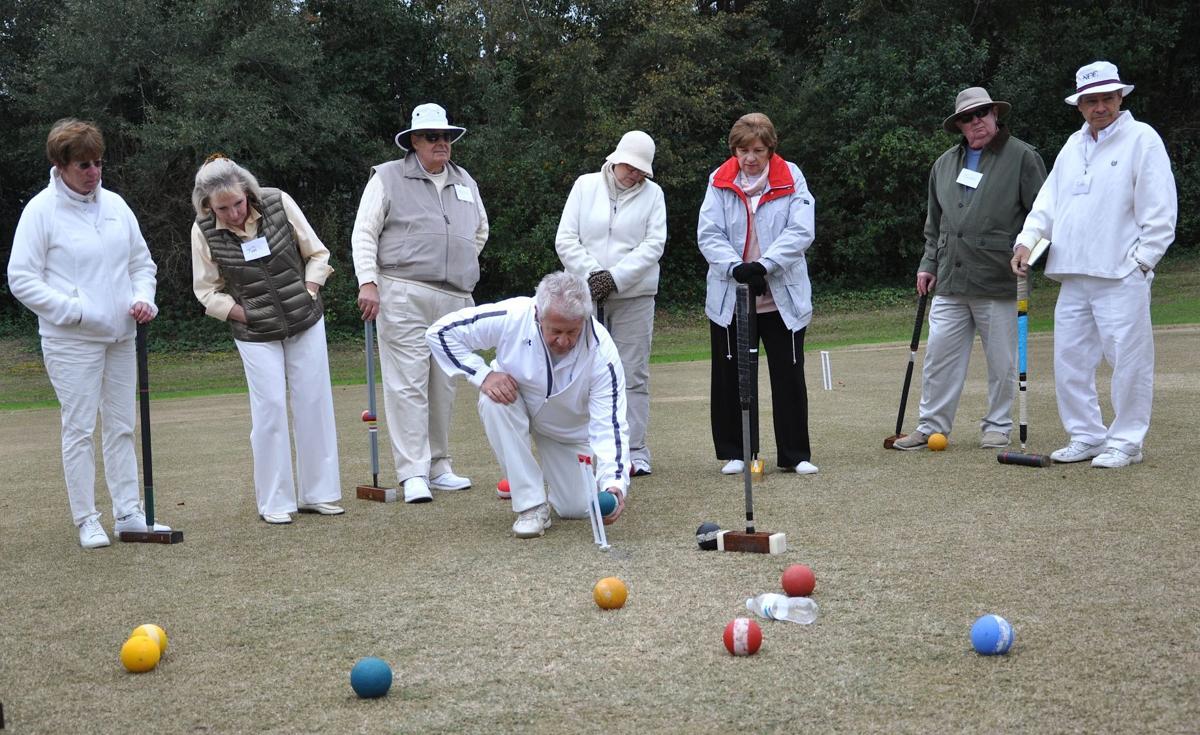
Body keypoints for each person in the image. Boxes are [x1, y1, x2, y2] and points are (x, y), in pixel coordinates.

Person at [8, 118, 169, 548]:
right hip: (70, 340)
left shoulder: (117, 206)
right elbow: (22, 278)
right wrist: (74, 312)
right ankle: (86, 518)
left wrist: (143, 297)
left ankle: (130, 513)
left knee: (121, 426)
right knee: (79, 427)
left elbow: (141, 264)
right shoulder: (40, 211)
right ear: (61, 165)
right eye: (83, 165)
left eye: (98, 163)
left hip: (122, 335)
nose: (93, 172)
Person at [1012, 61, 1176, 468]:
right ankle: (1086, 435)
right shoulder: (1073, 145)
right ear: (1080, 105)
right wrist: (1026, 243)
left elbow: (1160, 211)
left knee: (1129, 362)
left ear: (1121, 98)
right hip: (1073, 273)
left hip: (1122, 274)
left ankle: (1126, 441)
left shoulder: (1142, 139)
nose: (1099, 106)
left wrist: (1143, 262)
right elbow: (1047, 203)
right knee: (1069, 361)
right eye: (1091, 100)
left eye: (1107, 98)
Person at [190, 156, 344, 523]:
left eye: (238, 204)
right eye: (222, 208)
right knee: (270, 408)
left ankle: (318, 493)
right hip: (254, 331)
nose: (233, 214)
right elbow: (207, 291)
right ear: (207, 205)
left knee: (313, 401)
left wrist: (309, 289)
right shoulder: (202, 230)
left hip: (305, 318)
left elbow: (317, 253)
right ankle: (275, 501)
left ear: (248, 192)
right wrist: (243, 314)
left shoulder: (278, 201)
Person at [892, 87, 1047, 450]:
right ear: (959, 125)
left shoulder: (1023, 157)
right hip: (949, 277)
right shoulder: (944, 164)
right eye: (967, 117)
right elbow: (935, 223)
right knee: (939, 357)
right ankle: (930, 425)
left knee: (1002, 361)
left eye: (981, 113)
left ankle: (997, 425)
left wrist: (1032, 256)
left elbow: (1043, 216)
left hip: (999, 276)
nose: (975, 121)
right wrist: (927, 263)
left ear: (995, 114)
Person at [352, 102, 488, 503]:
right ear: (413, 141)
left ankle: (439, 464)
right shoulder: (388, 177)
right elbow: (364, 233)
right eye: (432, 137)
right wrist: (368, 282)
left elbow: (479, 231)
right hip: (403, 290)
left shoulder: (466, 181)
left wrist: (459, 261)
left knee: (444, 384)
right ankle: (413, 472)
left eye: (446, 136)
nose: (441, 143)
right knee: (407, 383)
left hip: (455, 297)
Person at [425, 272, 630, 539]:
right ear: (538, 315)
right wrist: (483, 374)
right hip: (513, 403)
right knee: (492, 401)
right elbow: (440, 332)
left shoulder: (603, 353)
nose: (564, 341)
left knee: (578, 508)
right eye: (555, 331)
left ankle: (524, 476)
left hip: (565, 433)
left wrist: (614, 484)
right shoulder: (513, 316)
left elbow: (610, 423)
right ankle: (531, 504)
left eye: (573, 332)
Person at [697, 113, 818, 477]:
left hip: (781, 295)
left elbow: (800, 231)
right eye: (743, 150)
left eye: (757, 150)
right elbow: (709, 233)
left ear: (770, 149)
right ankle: (738, 451)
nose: (749, 157)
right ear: (734, 150)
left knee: (789, 376)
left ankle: (795, 454)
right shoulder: (719, 180)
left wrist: (764, 266)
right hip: (731, 294)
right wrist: (736, 267)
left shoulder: (791, 176)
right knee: (731, 375)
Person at [555, 130, 666, 477]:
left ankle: (634, 451)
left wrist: (614, 278)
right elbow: (566, 238)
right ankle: (586, 448)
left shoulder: (654, 195)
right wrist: (593, 275)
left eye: (641, 170)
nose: (635, 174)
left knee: (632, 373)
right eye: (630, 166)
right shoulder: (585, 186)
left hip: (635, 297)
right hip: (584, 297)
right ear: (615, 159)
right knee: (582, 371)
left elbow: (653, 245)